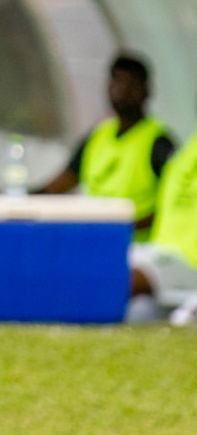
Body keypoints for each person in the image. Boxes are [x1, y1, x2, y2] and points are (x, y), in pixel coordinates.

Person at [37, 54, 176, 241]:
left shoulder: (158, 142)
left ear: (146, 90)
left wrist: (125, 227)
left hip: (138, 248)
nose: (122, 92)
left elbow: (175, 202)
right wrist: (21, 196)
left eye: (130, 85)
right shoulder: (97, 135)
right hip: (96, 240)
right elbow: (61, 184)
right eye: (116, 83)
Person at [129, 122, 197, 325]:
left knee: (116, 278)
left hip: (188, 261)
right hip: (160, 251)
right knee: (103, 263)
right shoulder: (186, 151)